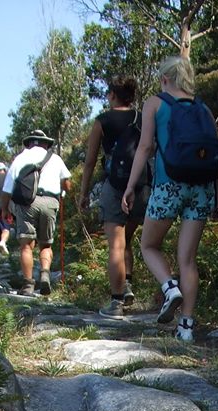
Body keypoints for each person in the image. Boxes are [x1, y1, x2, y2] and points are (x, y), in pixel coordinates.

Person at [122, 56, 218, 342]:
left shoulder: (156, 103)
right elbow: (217, 157)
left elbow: (144, 148)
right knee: (188, 259)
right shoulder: (203, 108)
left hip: (169, 186)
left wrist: (131, 187)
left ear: (165, 79)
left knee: (148, 245)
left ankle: (169, 288)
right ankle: (187, 328)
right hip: (202, 188)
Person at [78, 76, 151, 320]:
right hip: (141, 185)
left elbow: (89, 162)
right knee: (127, 239)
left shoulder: (103, 121)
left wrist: (84, 192)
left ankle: (116, 302)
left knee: (116, 245)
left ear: (111, 95)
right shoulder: (142, 118)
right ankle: (127, 284)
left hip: (115, 185)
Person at [1, 130, 72, 297]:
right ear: (45, 143)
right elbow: (67, 183)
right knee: (45, 244)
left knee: (26, 245)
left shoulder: (20, 158)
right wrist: (62, 193)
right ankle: (45, 274)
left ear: (30, 143)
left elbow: (7, 189)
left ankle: (28, 285)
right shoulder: (55, 158)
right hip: (50, 202)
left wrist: (5, 209)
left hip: (27, 204)